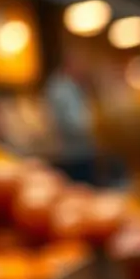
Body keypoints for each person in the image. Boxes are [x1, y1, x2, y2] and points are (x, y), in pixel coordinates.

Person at [45, 56, 99, 185]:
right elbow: (71, 123)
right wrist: (95, 128)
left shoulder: (73, 86)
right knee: (80, 187)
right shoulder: (61, 89)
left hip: (81, 151)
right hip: (72, 153)